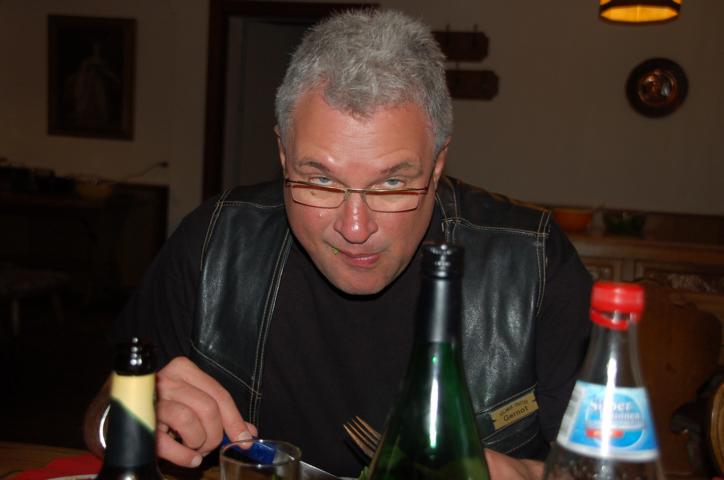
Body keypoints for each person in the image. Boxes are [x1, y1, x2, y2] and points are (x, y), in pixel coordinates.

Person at [84, 9, 592, 479]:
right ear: (283, 154)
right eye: (321, 181)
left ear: (437, 165)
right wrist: (124, 420)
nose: (354, 227)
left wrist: (521, 474)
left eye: (392, 183)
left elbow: (603, 468)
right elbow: (98, 416)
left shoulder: (534, 263)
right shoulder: (214, 241)